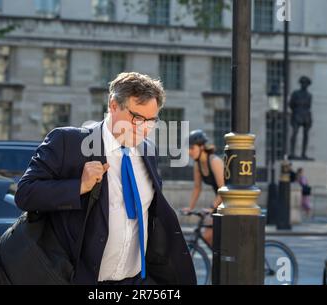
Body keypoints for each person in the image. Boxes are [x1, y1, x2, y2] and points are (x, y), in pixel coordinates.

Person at [14, 72, 196, 285]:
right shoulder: (69, 142)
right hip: (80, 278)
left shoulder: (149, 151)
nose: (143, 128)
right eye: (136, 118)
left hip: (135, 280)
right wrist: (79, 186)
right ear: (113, 105)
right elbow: (25, 194)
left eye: (151, 121)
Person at [182, 130, 225, 246]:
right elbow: (197, 188)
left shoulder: (215, 161)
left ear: (201, 147)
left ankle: (225, 260)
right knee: (208, 236)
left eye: (192, 148)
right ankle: (220, 261)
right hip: (220, 202)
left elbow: (223, 189)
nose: (189, 152)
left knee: (209, 235)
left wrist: (212, 207)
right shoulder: (198, 164)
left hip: (229, 200)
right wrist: (190, 208)